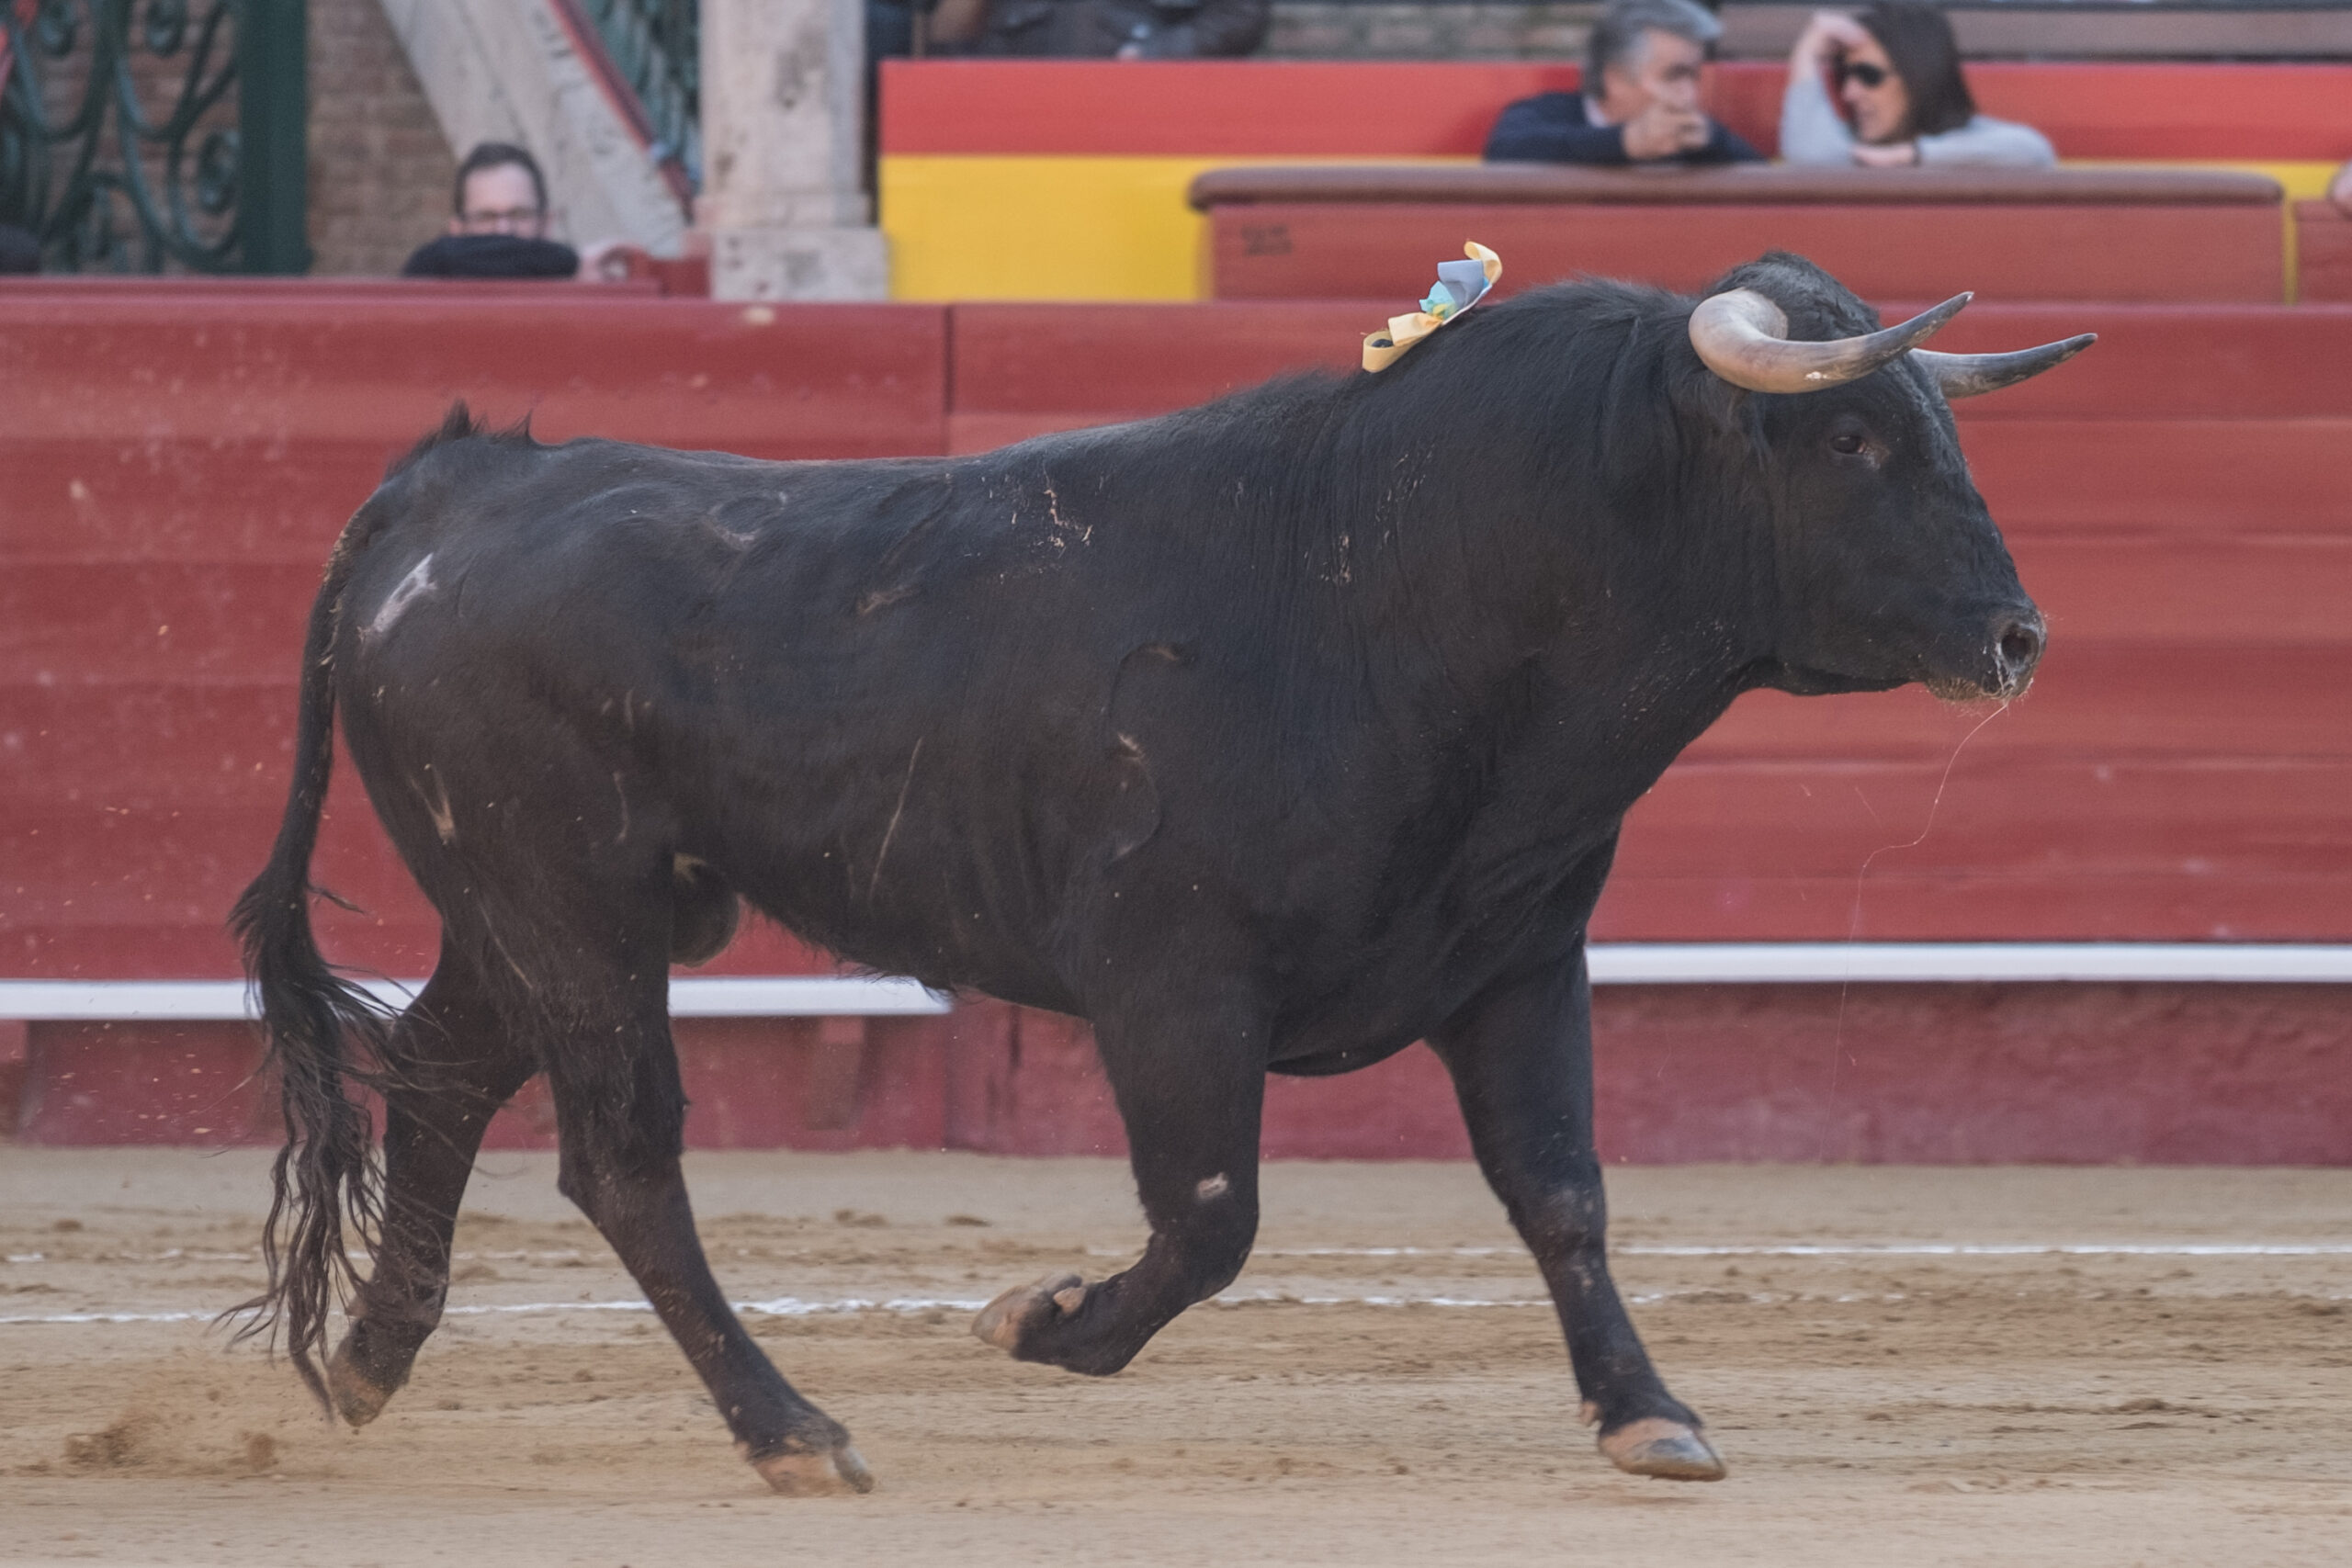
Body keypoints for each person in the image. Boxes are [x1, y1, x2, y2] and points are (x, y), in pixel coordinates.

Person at [1485, 0, 1761, 167]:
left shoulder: (1700, 140)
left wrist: (1712, 143)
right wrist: (1625, 142)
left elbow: (1760, 181)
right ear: (1615, 77)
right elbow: (1505, 150)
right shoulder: (1546, 114)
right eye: (1674, 75)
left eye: (1693, 76)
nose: (1689, 94)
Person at [1781, 5, 2053, 169]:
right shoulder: (1852, 149)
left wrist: (1912, 156)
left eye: (1868, 75)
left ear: (1919, 77)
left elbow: (2034, 151)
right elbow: (1810, 159)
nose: (1849, 93)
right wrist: (1807, 51)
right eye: (1845, 75)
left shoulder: (1974, 144)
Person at [401, 142, 636, 280]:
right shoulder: (430, 272)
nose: (504, 229)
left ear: (547, 223)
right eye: (486, 217)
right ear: (457, 229)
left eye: (519, 215)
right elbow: (436, 259)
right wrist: (572, 263)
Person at [926, 0, 1269, 58]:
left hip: (1151, 122)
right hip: (1014, 123)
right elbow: (947, 28)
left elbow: (1241, 15)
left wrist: (1157, 56)